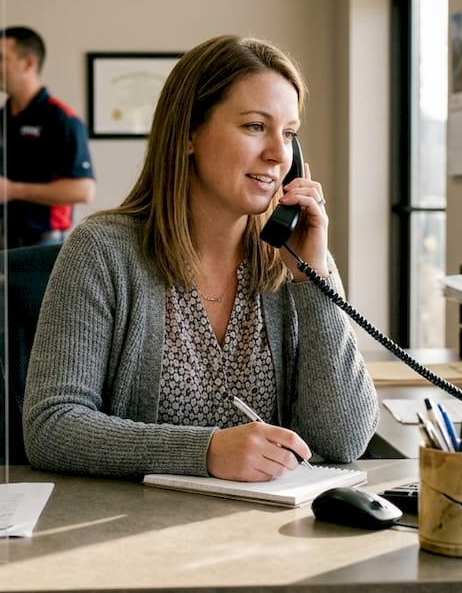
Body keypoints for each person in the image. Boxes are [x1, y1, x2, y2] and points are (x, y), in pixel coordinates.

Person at [22, 35, 378, 482]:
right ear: (189, 133)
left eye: (289, 134)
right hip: (134, 533)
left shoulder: (293, 256)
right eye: (254, 127)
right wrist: (204, 451)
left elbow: (342, 440)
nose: (278, 153)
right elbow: (51, 426)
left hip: (268, 537)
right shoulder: (104, 251)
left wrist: (315, 280)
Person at [0, 26, 95, 257]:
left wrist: (12, 190)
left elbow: (83, 190)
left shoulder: (62, 120)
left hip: (41, 247)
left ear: (28, 63)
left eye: (0, 58)